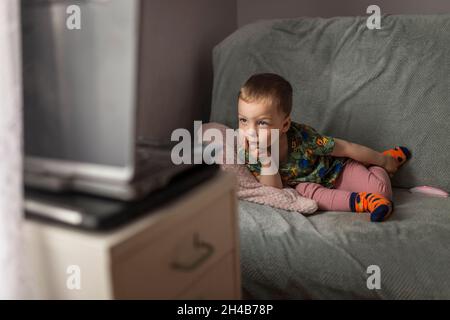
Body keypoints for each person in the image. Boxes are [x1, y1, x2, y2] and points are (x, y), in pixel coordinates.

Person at [238, 73, 411, 222]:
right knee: (313, 197)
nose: (250, 131)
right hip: (304, 186)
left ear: (284, 125)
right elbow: (273, 191)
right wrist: (266, 160)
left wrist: (383, 161)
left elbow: (345, 147)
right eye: (243, 120)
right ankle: (366, 202)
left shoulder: (304, 138)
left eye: (261, 123)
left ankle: (380, 163)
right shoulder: (248, 150)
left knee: (383, 191)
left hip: (334, 169)